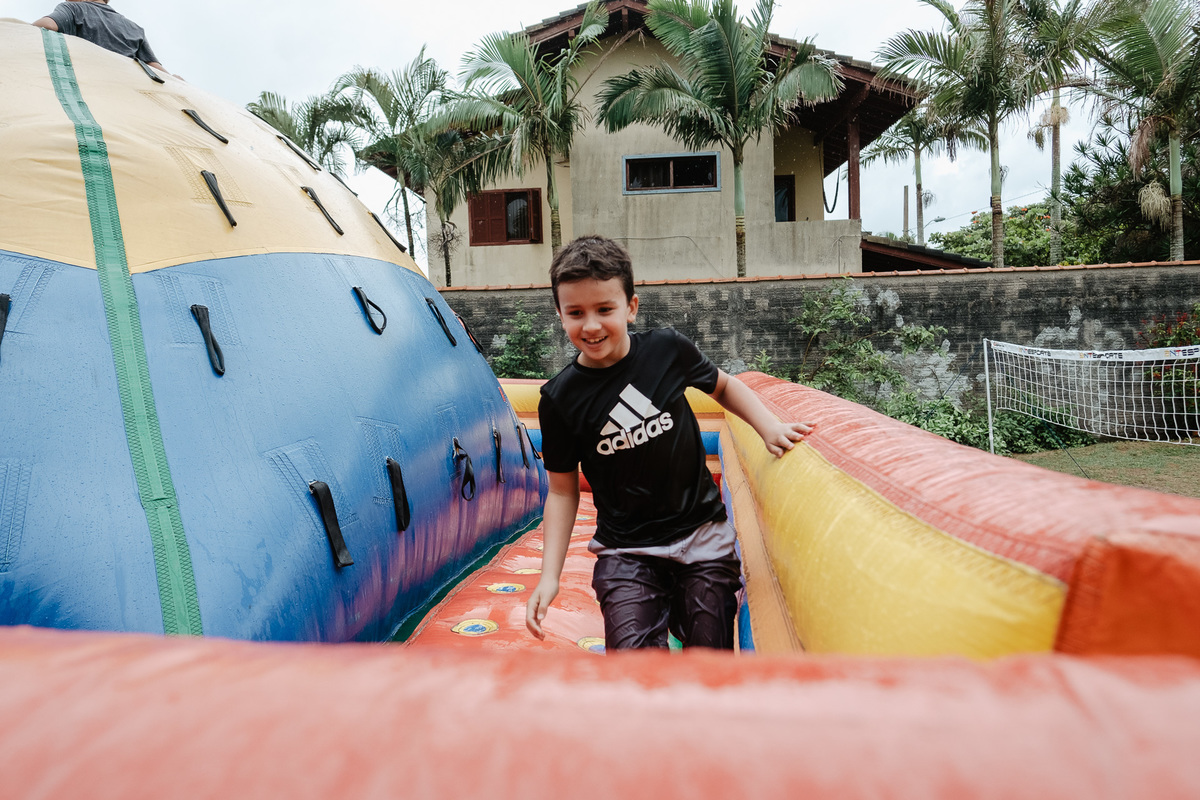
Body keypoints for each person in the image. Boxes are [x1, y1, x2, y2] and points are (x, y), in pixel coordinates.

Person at [526, 236, 815, 650]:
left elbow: (724, 387)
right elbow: (561, 491)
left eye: (604, 309)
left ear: (631, 307)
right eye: (576, 313)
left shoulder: (666, 350)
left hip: (702, 538)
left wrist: (768, 427)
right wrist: (549, 576)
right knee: (635, 666)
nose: (590, 325)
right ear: (559, 314)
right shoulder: (560, 399)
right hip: (626, 552)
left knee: (706, 658)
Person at [33, 0, 163, 70]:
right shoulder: (135, 28)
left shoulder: (74, 9)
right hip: (125, 95)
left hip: (86, 89)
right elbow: (158, 71)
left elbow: (47, 25)